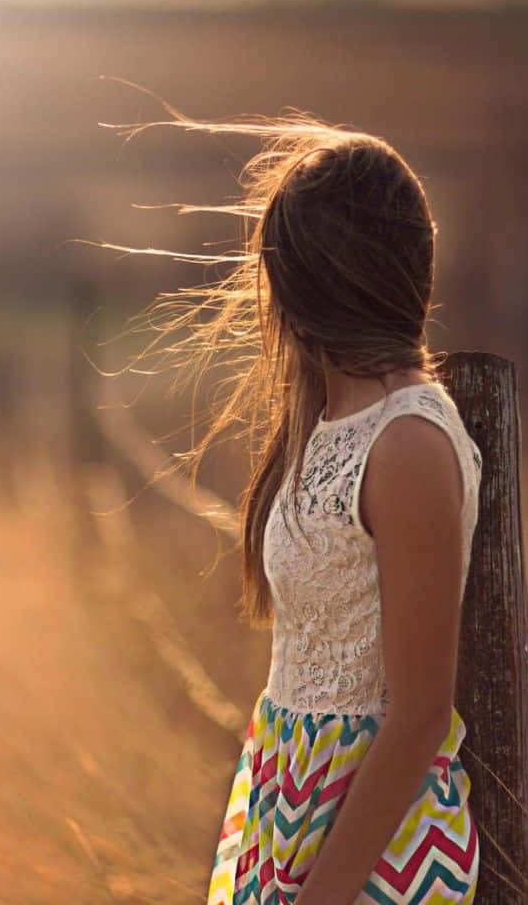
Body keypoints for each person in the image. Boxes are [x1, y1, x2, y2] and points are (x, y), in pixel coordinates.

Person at [119, 107, 483, 903]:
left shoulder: (408, 445)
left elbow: (420, 713)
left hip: (372, 845)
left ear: (303, 286)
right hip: (292, 809)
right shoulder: (327, 422)